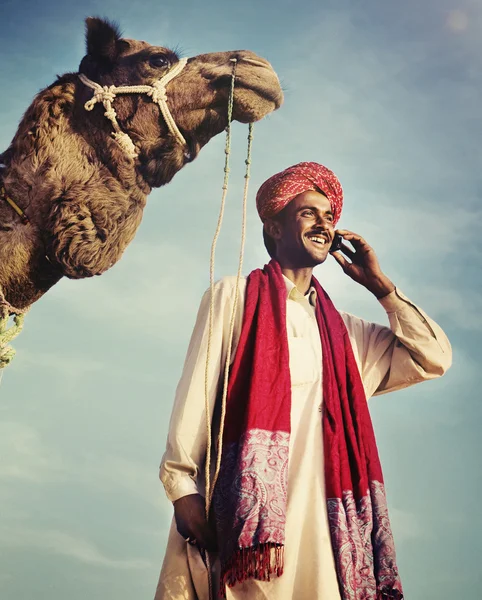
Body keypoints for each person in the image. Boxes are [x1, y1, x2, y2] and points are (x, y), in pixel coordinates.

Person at [155, 162, 452, 600]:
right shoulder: (234, 297)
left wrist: (382, 287)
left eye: (329, 217)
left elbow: (433, 357)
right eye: (309, 213)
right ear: (274, 227)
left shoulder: (348, 335)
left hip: (330, 531)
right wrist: (182, 488)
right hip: (249, 526)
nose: (324, 224)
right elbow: (196, 394)